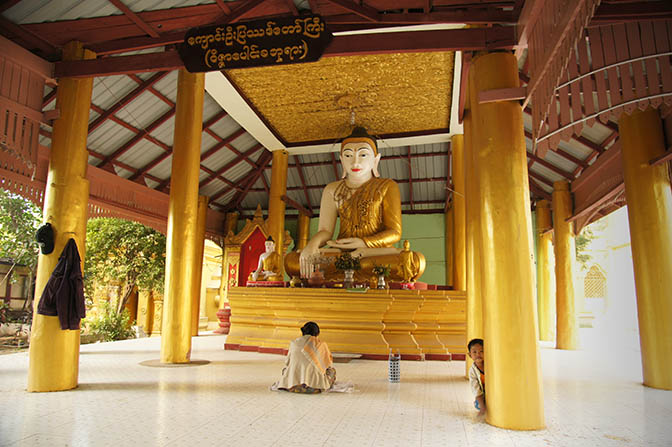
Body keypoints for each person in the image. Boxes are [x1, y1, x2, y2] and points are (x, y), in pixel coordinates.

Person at [284, 127, 425, 282]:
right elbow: (325, 231)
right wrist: (311, 246)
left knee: (414, 261)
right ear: (341, 160)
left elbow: (394, 232)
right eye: (348, 155)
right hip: (340, 254)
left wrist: (363, 244)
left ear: (375, 160)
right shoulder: (332, 189)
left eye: (363, 154)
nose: (355, 161)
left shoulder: (387, 186)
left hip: (374, 254)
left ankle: (354, 263)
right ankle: (351, 265)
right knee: (293, 261)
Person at [275, 321, 336, 393]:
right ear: (317, 333)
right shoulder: (321, 345)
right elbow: (328, 365)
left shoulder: (294, 343)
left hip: (292, 386)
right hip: (316, 387)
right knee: (332, 371)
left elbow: (287, 363)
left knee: (285, 370)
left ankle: (296, 383)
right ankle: (314, 384)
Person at [468, 338, 486, 416]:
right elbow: (476, 389)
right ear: (470, 355)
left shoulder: (491, 364)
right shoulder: (472, 371)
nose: (478, 354)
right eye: (474, 352)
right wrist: (482, 408)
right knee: (478, 404)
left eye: (481, 351)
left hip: (494, 393)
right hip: (484, 394)